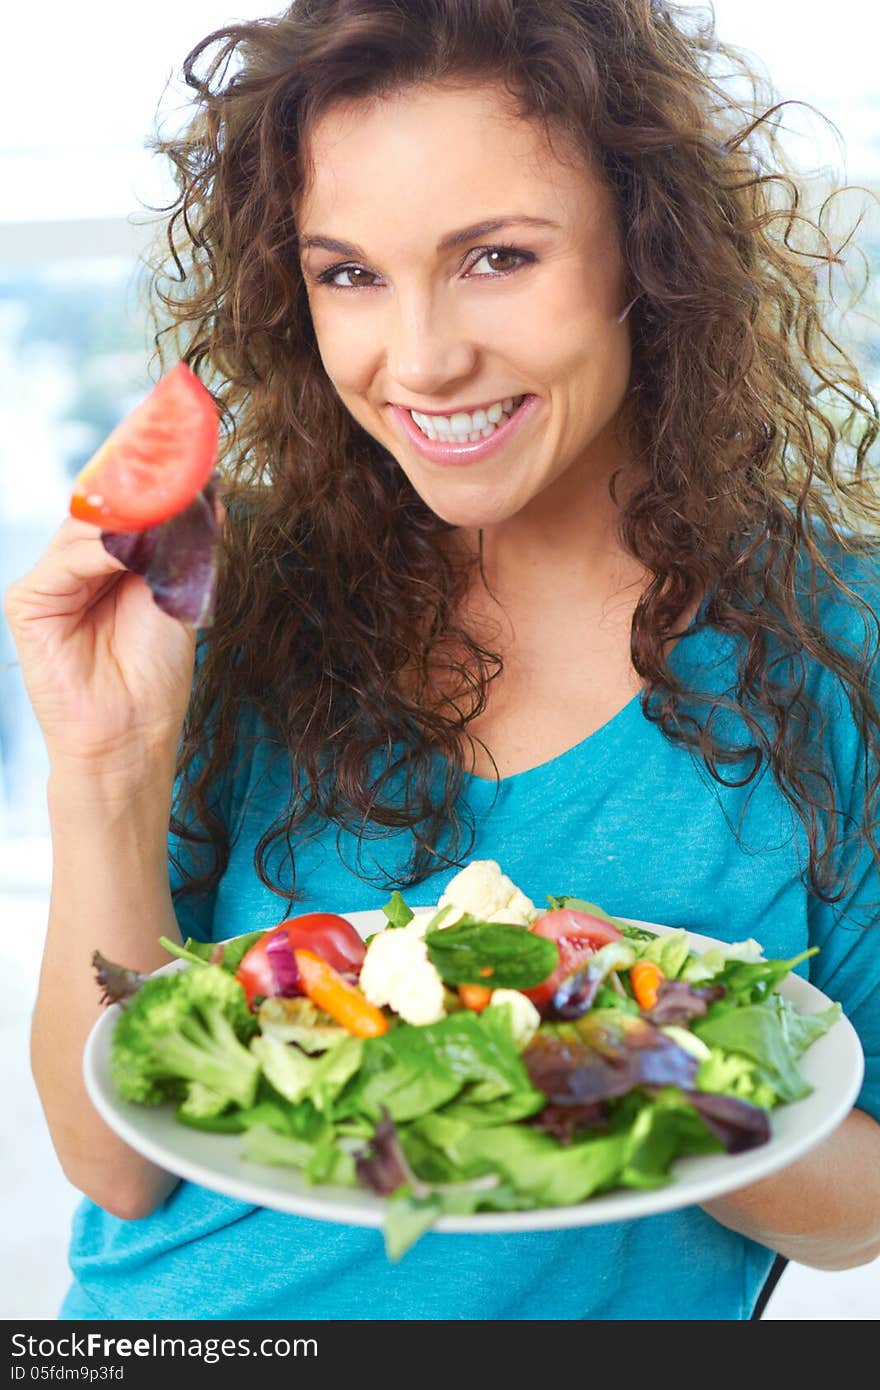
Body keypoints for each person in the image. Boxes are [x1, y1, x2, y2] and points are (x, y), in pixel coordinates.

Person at [5, 0, 880, 1322]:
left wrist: (606, 1059)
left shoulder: (840, 641)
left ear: (649, 249)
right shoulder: (230, 600)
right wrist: (105, 765)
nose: (417, 360)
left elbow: (859, 1208)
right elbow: (116, 1167)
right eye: (348, 273)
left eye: (497, 258)